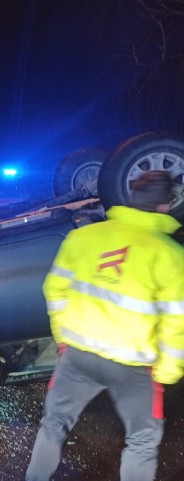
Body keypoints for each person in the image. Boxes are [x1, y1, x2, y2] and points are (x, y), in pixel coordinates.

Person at [26, 170, 184, 481]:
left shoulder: (83, 237)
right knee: (141, 441)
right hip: (134, 368)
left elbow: (54, 291)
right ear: (166, 205)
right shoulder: (170, 256)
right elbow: (177, 323)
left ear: (131, 199)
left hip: (78, 356)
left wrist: (62, 338)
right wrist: (168, 371)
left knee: (54, 424)